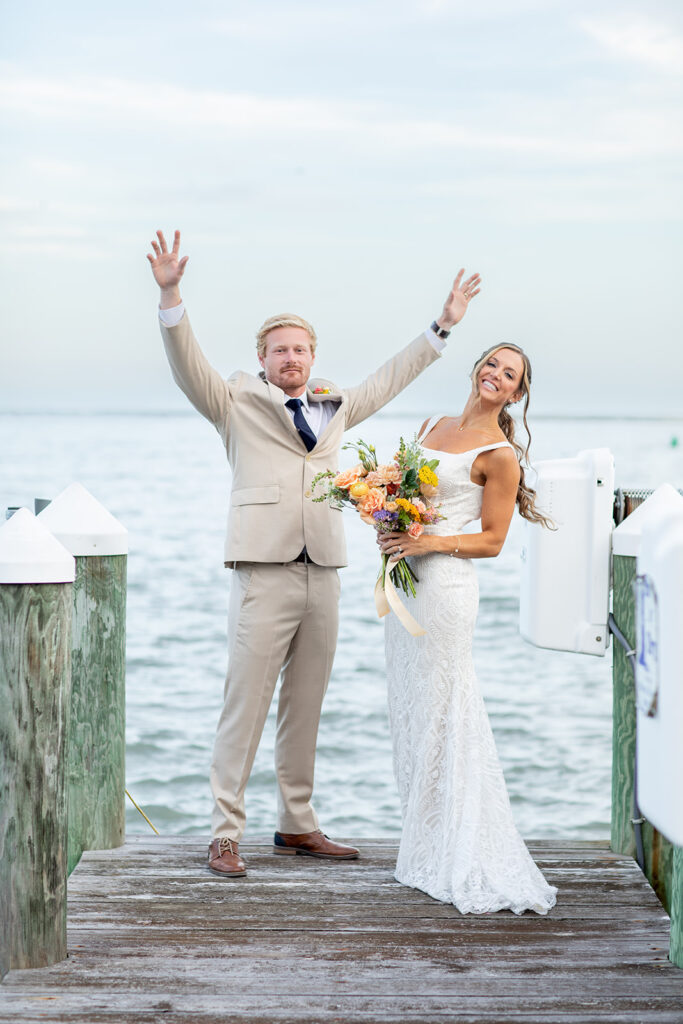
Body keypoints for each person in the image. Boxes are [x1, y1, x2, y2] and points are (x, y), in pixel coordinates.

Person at [146, 228, 482, 878]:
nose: (291, 359)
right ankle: (224, 834)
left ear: (311, 356)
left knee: (307, 700)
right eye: (279, 351)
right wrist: (171, 295)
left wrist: (441, 327)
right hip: (262, 567)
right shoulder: (233, 403)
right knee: (245, 701)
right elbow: (187, 360)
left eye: (300, 349)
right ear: (264, 359)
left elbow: (389, 378)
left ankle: (296, 824)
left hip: (323, 566)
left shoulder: (334, 405)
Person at [377, 337, 558, 914]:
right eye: (492, 364)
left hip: (448, 593)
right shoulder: (432, 424)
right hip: (408, 583)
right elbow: (409, 498)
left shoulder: (500, 455)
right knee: (410, 710)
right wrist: (387, 522)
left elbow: (493, 540)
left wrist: (427, 540)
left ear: (517, 392)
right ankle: (425, 844)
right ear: (477, 368)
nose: (497, 375)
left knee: (443, 712)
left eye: (510, 374)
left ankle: (460, 850)